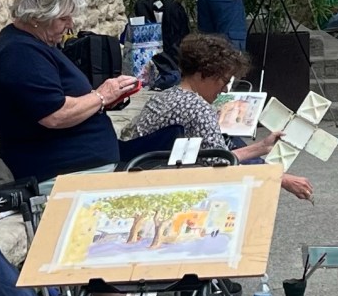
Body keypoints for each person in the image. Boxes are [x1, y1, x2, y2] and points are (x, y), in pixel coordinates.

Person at [0, 0, 200, 296]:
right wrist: (101, 97)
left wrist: (106, 98)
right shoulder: (18, 53)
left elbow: (65, 103)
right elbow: (54, 114)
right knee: (106, 242)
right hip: (57, 175)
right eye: (63, 19)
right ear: (39, 16)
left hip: (76, 167)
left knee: (132, 227)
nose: (69, 27)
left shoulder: (31, 46)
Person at [130, 34, 315, 201]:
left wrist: (260, 147)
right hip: (167, 186)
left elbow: (215, 156)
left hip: (146, 174)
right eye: (224, 80)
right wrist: (281, 178)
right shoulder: (197, 108)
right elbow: (224, 168)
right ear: (203, 75)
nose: (225, 89)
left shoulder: (162, 97)